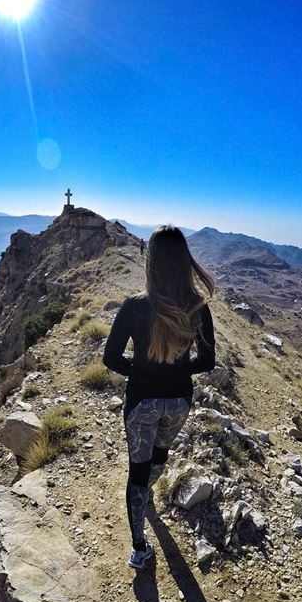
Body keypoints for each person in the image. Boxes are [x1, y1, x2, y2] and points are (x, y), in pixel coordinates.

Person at [103, 225, 216, 569]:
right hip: (178, 402)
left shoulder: (134, 306)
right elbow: (208, 361)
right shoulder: (199, 309)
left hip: (141, 402)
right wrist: (178, 371)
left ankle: (139, 547)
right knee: (160, 458)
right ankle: (147, 495)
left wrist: (139, 371)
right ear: (185, 262)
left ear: (150, 263)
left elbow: (110, 358)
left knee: (136, 472)